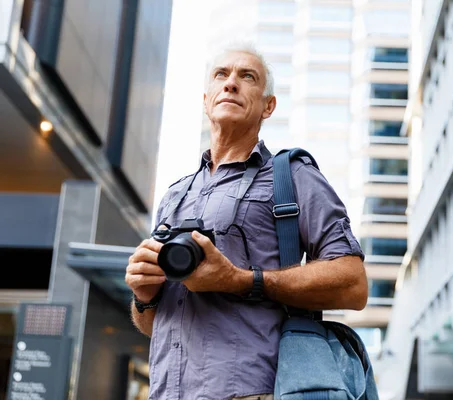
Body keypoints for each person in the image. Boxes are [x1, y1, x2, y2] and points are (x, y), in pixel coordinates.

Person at [124, 41, 368, 400]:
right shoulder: (174, 196)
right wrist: (143, 296)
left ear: (268, 106)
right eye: (221, 75)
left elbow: (353, 284)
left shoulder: (293, 176)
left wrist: (241, 280)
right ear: (205, 99)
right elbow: (153, 326)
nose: (231, 83)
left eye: (247, 76)